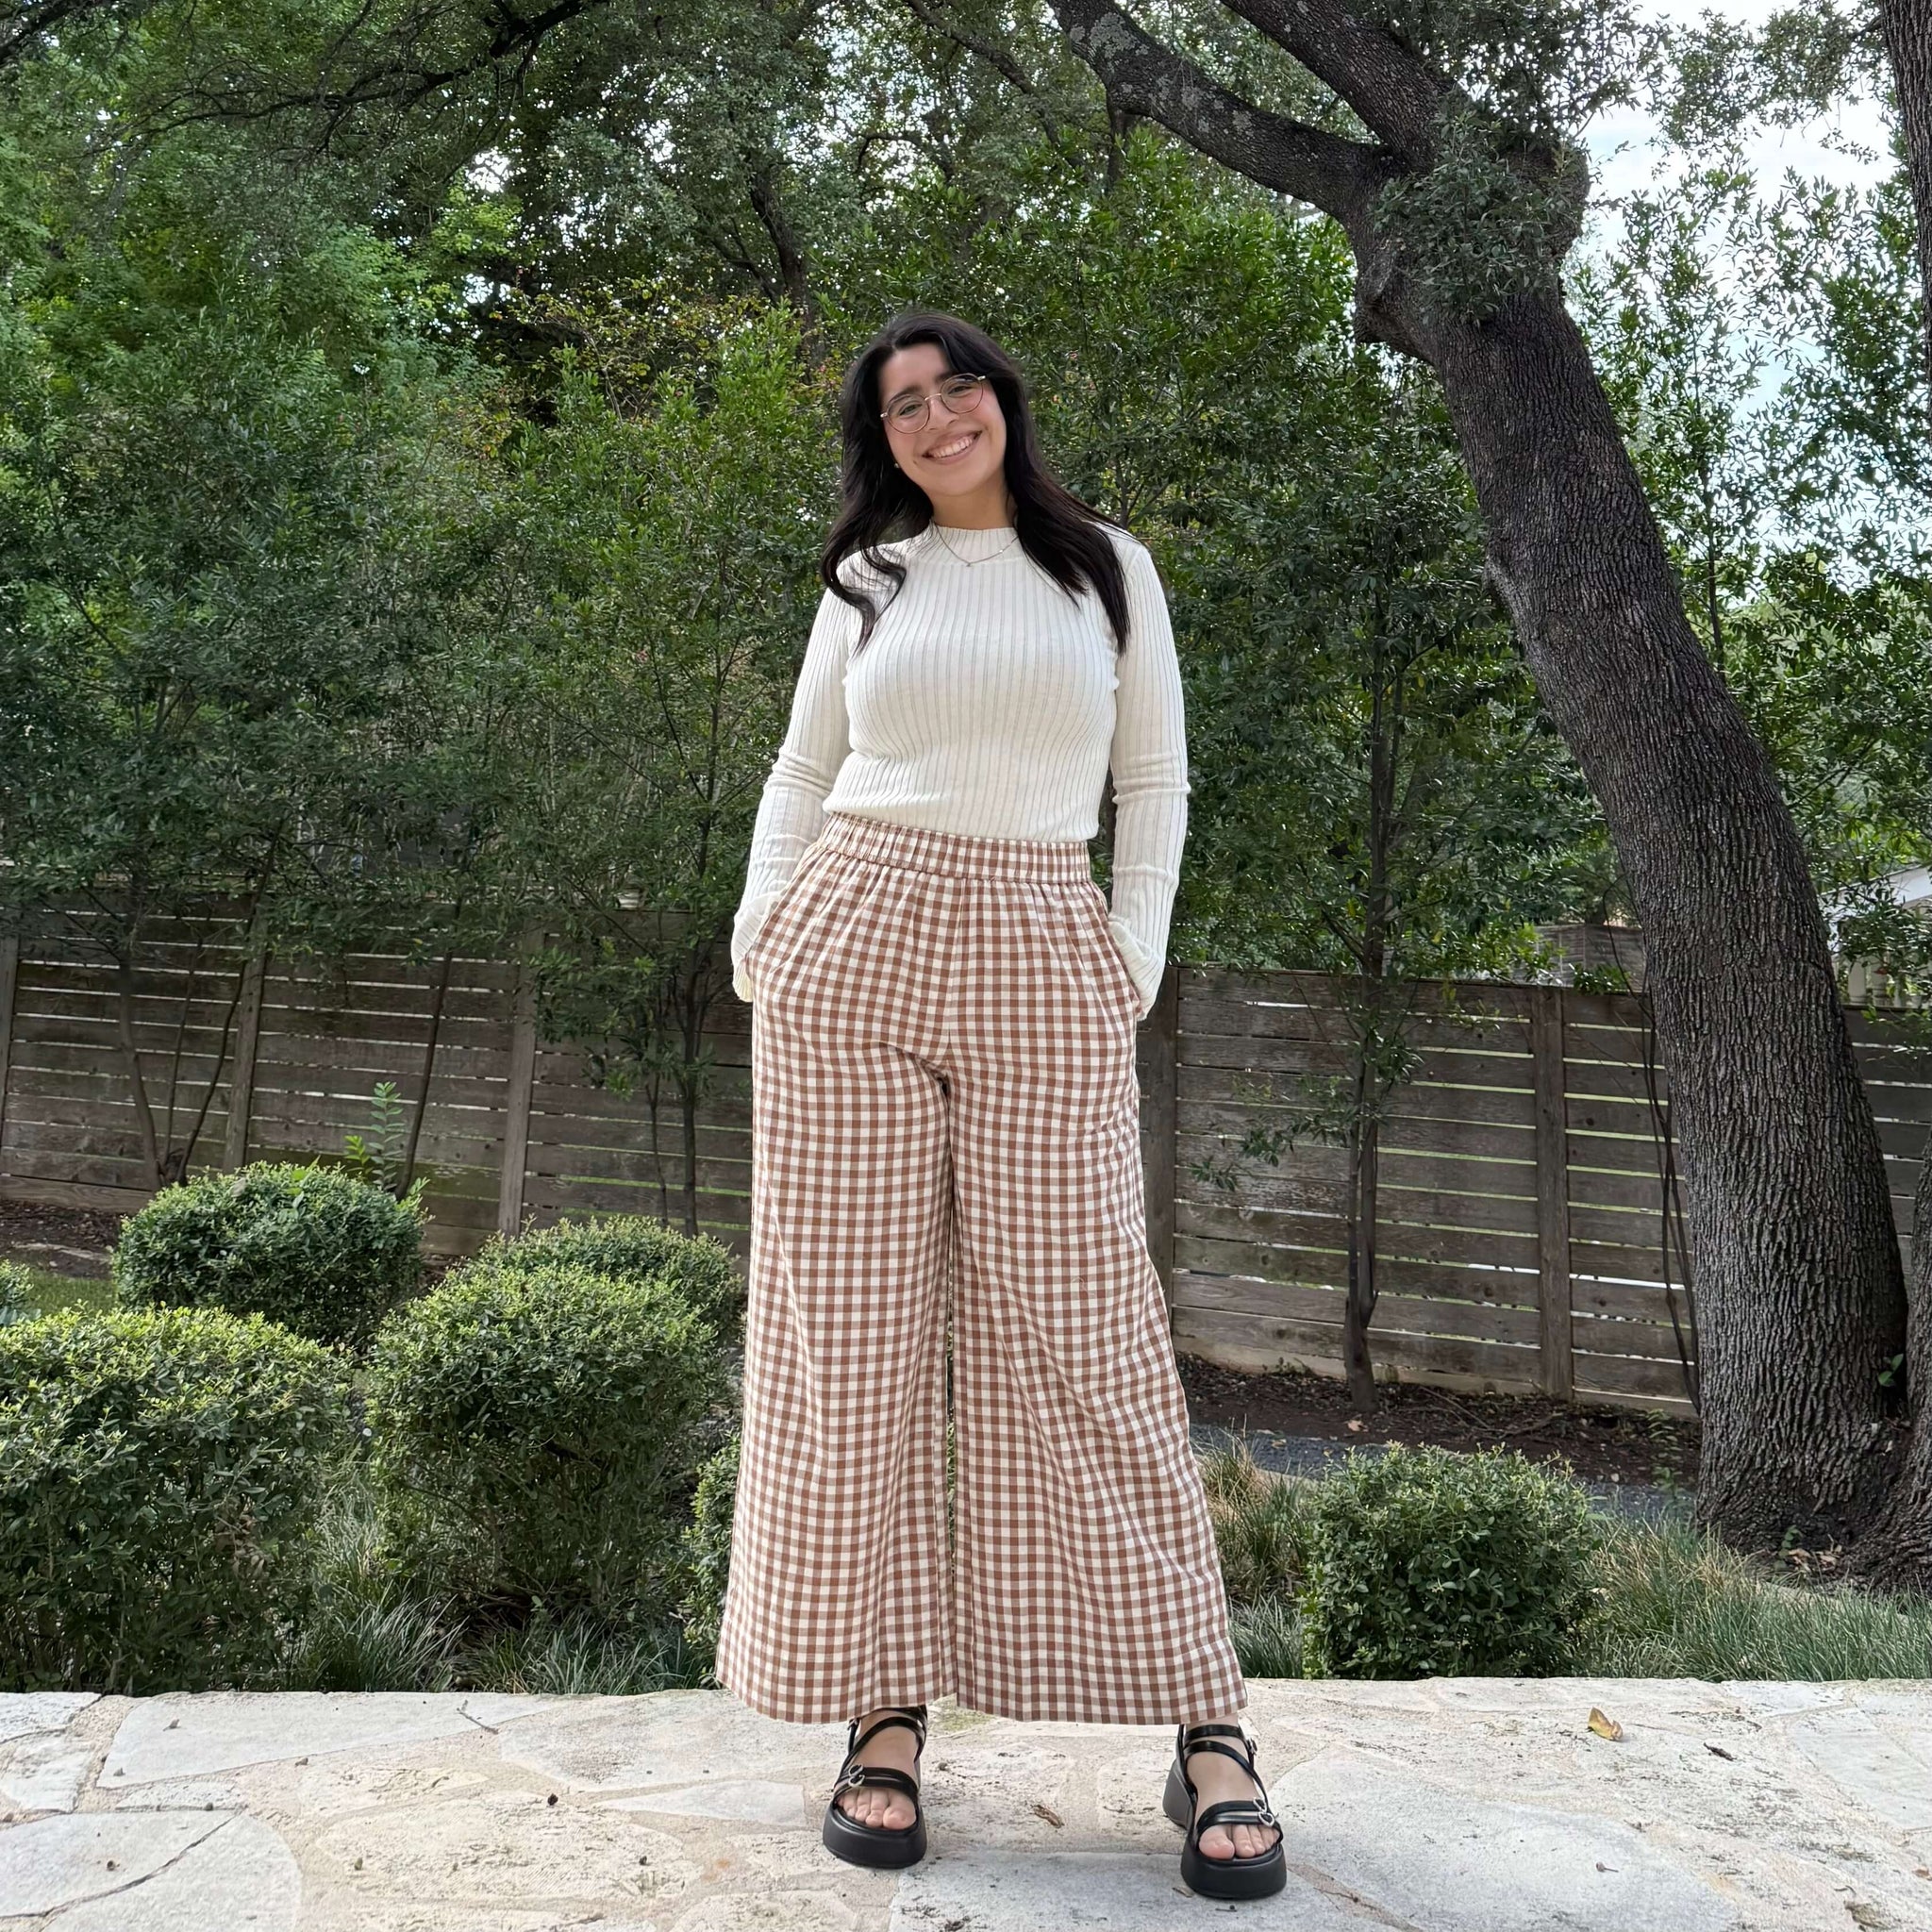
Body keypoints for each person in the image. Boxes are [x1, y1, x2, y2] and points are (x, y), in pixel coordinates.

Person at [715, 309, 1286, 1904]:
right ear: (883, 440)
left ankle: (1208, 1726)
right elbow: (799, 772)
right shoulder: (869, 580)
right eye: (902, 403)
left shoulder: (1108, 570)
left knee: (1092, 1328)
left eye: (955, 384)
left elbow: (1154, 782)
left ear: (1000, 401)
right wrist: (762, 930)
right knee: (854, 1339)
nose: (936, 414)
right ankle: (881, 1712)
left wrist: (1132, 958)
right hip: (853, 935)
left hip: (1044, 935)